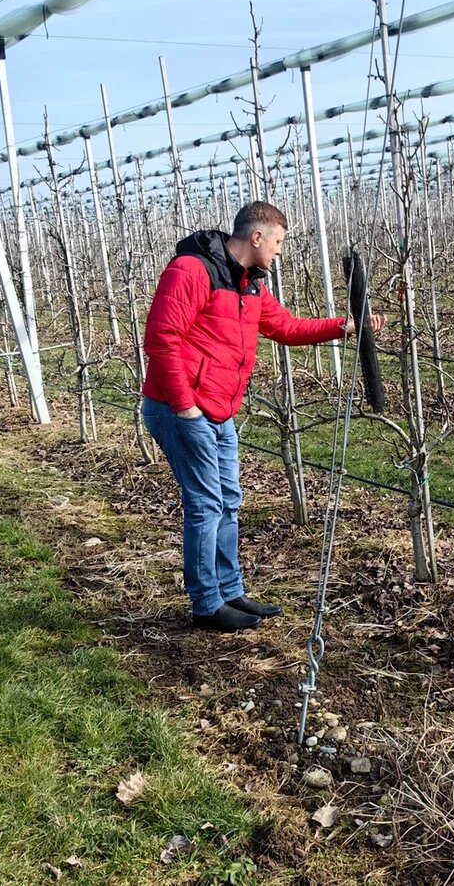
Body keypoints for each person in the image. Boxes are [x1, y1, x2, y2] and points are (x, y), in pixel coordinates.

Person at [141, 201, 385, 632]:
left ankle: (230, 591)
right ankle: (206, 605)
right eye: (277, 242)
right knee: (205, 504)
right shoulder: (191, 271)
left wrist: (345, 326)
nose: (278, 252)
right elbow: (162, 339)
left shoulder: (251, 285)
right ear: (257, 237)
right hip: (180, 409)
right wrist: (185, 406)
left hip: (218, 411)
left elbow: (286, 329)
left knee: (229, 501)